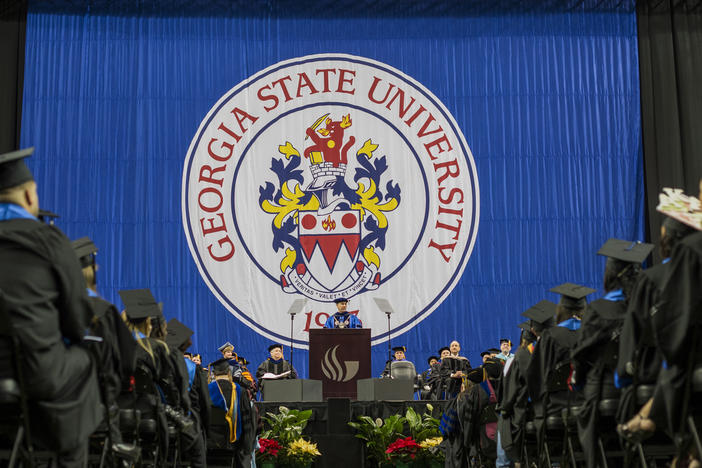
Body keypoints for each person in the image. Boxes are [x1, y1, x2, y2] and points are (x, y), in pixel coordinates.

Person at [0, 148, 103, 467]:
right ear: (29, 195)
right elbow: (75, 319)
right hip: (34, 370)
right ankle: (69, 455)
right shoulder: (48, 240)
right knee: (83, 360)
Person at [571, 238, 653, 468]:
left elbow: (582, 358)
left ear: (610, 275)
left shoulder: (597, 311)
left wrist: (577, 381)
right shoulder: (649, 307)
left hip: (608, 393)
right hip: (650, 391)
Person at [71, 235, 139, 461]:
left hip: (46, 407)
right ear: (92, 272)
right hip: (95, 408)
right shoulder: (104, 311)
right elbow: (128, 363)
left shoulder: (49, 307)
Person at [165, 318, 210, 468]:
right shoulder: (193, 368)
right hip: (187, 424)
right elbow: (204, 402)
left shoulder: (158, 362)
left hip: (160, 422)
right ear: (186, 345)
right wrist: (205, 427)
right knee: (198, 458)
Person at [208, 358, 256, 467]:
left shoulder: (206, 389)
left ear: (214, 374)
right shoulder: (240, 390)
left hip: (209, 444)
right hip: (234, 443)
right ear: (229, 372)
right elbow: (247, 421)